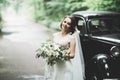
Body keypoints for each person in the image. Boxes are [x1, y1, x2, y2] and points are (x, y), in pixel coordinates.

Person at [45, 16, 85, 80]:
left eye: (68, 24)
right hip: (55, 65)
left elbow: (72, 55)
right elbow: (50, 47)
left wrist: (59, 55)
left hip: (65, 67)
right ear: (62, 22)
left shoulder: (71, 38)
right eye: (65, 22)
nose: (65, 24)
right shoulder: (54, 35)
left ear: (71, 26)